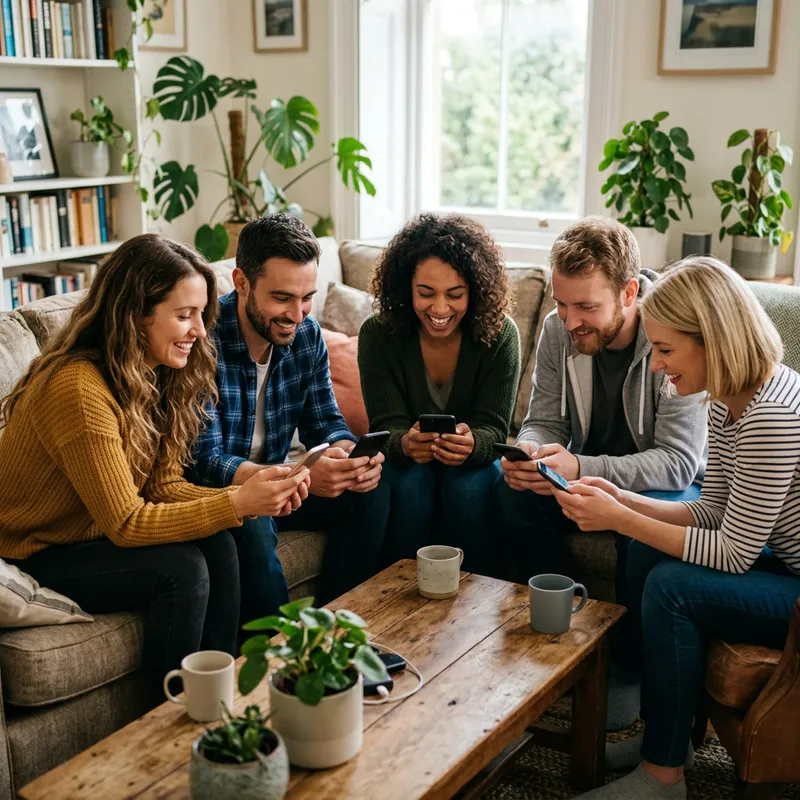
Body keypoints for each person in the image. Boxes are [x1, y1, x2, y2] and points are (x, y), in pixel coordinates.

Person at [0, 234, 309, 705]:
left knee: (222, 540)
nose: (200, 331)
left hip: (90, 531)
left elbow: (163, 485)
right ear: (135, 315)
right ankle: (169, 717)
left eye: (201, 315)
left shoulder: (159, 372)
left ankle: (218, 697)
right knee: (181, 569)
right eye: (184, 316)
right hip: (37, 547)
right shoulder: (78, 389)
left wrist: (250, 492)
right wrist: (235, 501)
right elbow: (126, 522)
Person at [556, 256, 800, 800]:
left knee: (672, 588)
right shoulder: (726, 399)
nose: (658, 366)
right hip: (784, 562)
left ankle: (662, 777)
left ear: (713, 341)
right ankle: (664, 744)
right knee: (647, 553)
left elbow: (733, 553)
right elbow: (712, 511)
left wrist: (620, 518)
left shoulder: (771, 414)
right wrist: (622, 499)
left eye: (666, 350)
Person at [491, 216, 708, 730]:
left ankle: (627, 668)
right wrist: (530, 452)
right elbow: (544, 419)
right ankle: (567, 637)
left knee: (643, 537)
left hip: (664, 487)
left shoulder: (673, 335)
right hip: (582, 477)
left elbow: (679, 462)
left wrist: (581, 465)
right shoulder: (557, 329)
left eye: (586, 307)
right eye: (562, 304)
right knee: (504, 492)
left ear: (630, 292)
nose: (571, 321)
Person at [189, 214, 390, 614]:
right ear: (241, 282)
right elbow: (203, 462)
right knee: (255, 518)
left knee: (374, 489)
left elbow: (326, 422)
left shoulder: (306, 335)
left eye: (306, 297)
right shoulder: (201, 341)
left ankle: (337, 623)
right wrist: (297, 476)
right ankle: (283, 646)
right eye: (282, 298)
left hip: (282, 483)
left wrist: (347, 454)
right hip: (224, 494)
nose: (297, 314)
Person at [358, 213, 520, 574]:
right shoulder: (378, 334)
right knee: (409, 486)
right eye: (426, 293)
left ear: (475, 291)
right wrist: (404, 443)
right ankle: (397, 593)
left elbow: (494, 429)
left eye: (455, 295)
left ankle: (477, 595)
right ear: (406, 287)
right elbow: (385, 425)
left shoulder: (501, 335)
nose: (440, 309)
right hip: (407, 463)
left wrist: (473, 444)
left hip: (472, 465)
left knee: (467, 490)